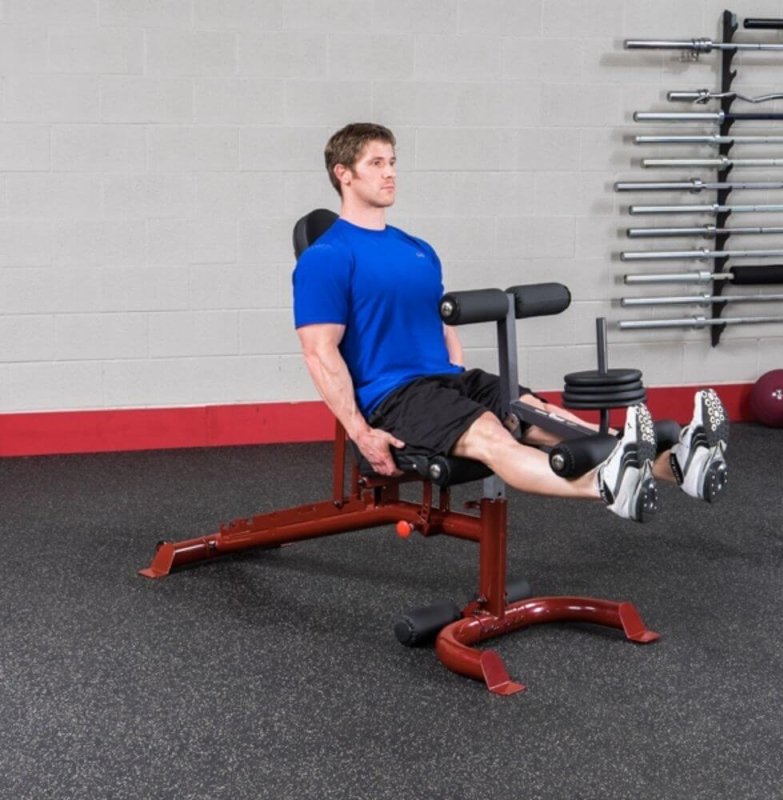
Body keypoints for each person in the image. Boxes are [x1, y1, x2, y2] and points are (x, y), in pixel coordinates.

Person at [292, 122, 728, 522]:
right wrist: (361, 432)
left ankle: (677, 464)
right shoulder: (327, 257)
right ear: (343, 174)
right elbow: (319, 350)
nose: (390, 173)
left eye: (392, 162)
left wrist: (457, 375)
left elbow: (442, 322)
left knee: (542, 415)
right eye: (376, 164)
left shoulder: (417, 248)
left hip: (448, 380)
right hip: (395, 397)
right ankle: (608, 485)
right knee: (489, 433)